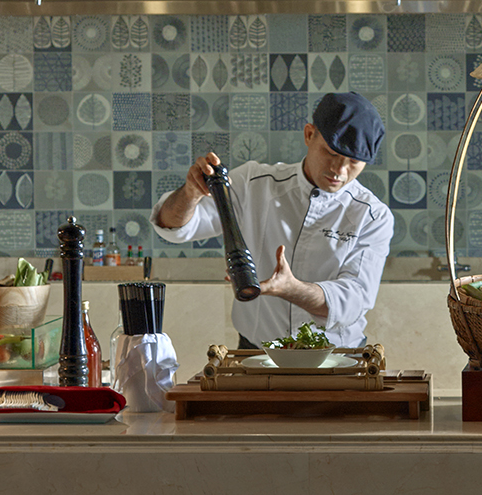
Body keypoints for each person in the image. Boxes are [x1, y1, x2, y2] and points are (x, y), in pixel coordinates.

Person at [150, 91, 393, 349]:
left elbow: (353, 300)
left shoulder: (373, 216)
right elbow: (174, 227)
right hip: (256, 353)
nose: (340, 170)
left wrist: (290, 288)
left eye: (354, 162)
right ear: (309, 134)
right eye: (331, 153)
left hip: (338, 358)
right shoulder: (253, 182)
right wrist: (190, 193)